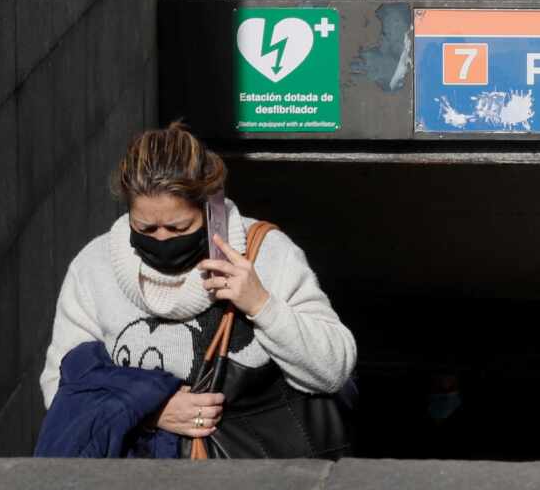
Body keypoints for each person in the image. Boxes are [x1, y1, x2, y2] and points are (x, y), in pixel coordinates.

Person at [40, 122, 357, 449]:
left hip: (252, 479)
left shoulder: (268, 255)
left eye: (179, 228)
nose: (162, 238)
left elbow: (333, 369)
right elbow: (62, 389)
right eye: (146, 228)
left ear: (210, 210)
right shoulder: (94, 267)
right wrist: (147, 410)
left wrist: (262, 304)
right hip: (134, 484)